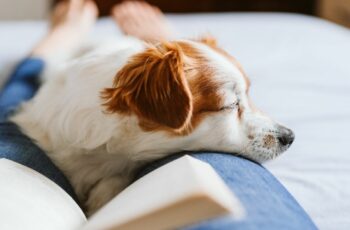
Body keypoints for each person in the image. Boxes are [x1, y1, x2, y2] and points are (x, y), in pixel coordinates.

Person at [0, 1, 316, 229]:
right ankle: (45, 56)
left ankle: (171, 46)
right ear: (156, 106)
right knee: (19, 110)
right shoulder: (150, 101)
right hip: (69, 96)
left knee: (9, 126)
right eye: (229, 105)